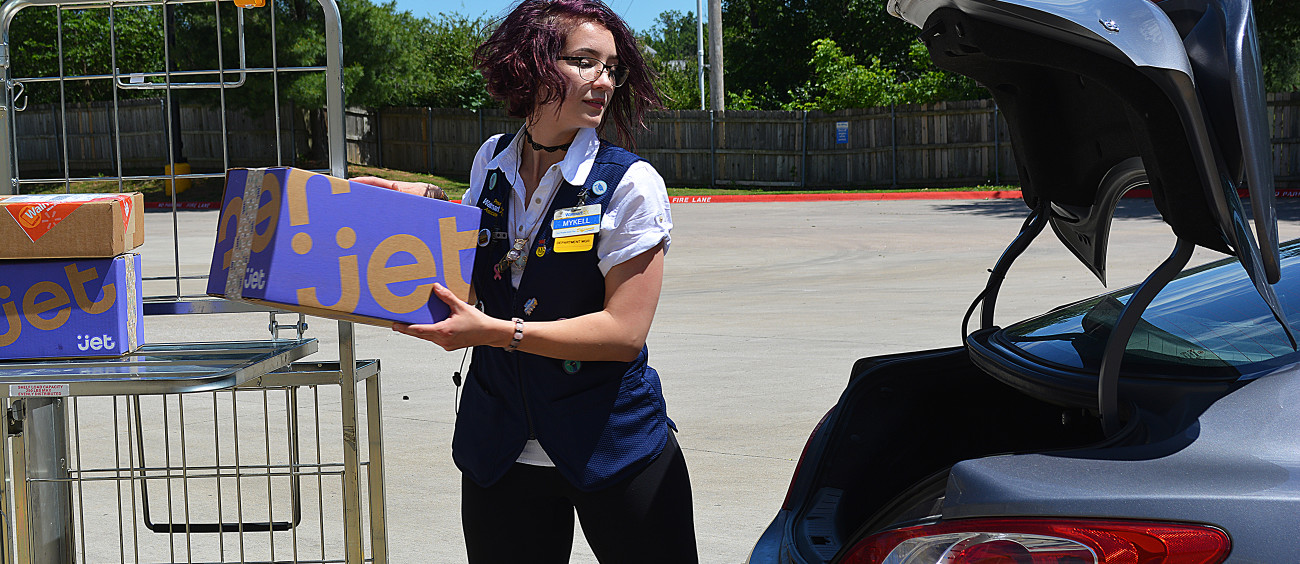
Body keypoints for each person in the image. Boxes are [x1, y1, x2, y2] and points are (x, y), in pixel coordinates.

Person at [355, 1, 697, 561]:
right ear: (531, 63)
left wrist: (496, 332)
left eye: (611, 67)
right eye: (584, 62)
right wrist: (420, 216)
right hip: (500, 449)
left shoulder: (630, 183)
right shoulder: (491, 161)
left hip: (613, 447)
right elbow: (475, 272)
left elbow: (623, 333)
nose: (602, 81)